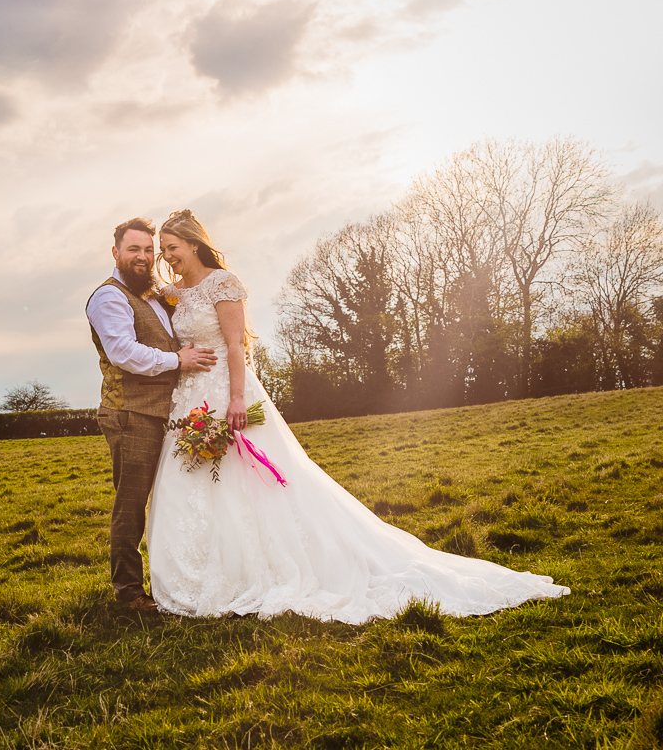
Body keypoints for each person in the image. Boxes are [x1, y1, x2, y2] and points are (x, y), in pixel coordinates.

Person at [144, 209, 570, 622]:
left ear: (196, 244)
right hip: (190, 399)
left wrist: (237, 399)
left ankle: (266, 566)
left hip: (226, 392)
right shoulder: (174, 292)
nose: (167, 257)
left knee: (251, 484)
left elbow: (236, 345)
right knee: (192, 481)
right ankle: (203, 573)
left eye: (172, 247)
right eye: (163, 250)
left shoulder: (223, 283)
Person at [86, 218, 217, 612]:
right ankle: (127, 593)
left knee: (171, 499)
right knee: (131, 502)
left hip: (164, 413)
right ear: (116, 254)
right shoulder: (109, 298)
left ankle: (177, 576)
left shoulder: (150, 294)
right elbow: (124, 353)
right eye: (133, 250)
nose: (142, 257)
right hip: (130, 413)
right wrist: (178, 359)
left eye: (148, 250)